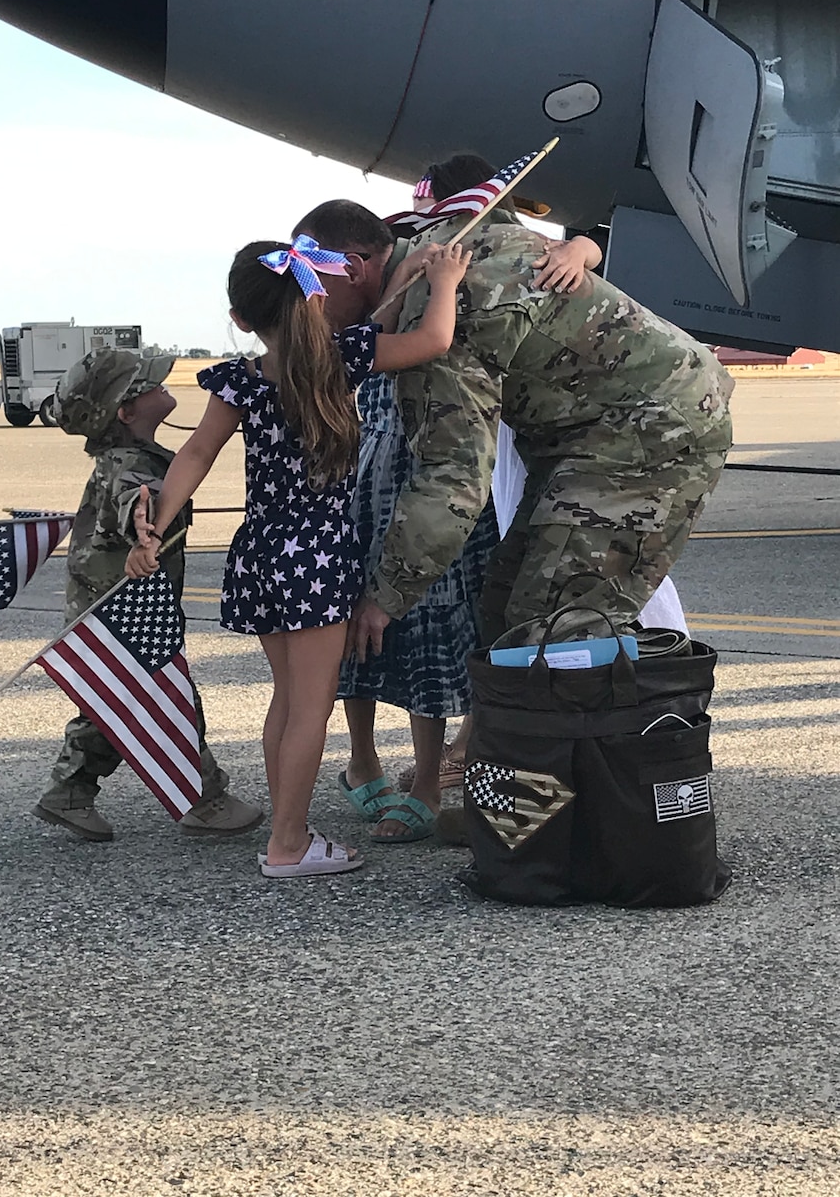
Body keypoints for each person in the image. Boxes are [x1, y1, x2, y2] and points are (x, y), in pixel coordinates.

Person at [125, 235, 472, 878]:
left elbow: (196, 455)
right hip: (317, 554)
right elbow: (432, 341)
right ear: (314, 296)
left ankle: (291, 830)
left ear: (242, 320)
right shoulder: (345, 358)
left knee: (286, 703)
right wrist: (445, 281)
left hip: (262, 550)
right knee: (310, 710)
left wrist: (156, 525)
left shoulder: (242, 379)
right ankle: (288, 844)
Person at [292, 192, 733, 697]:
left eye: (311, 288)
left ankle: (602, 767)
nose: (310, 307)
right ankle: (524, 763)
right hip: (596, 436)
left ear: (352, 268)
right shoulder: (440, 256)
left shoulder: (442, 309)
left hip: (652, 432)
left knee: (554, 627)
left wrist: (385, 596)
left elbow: (453, 476)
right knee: (503, 608)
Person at [337, 154, 603, 843]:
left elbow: (583, 247)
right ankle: (364, 758)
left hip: (451, 467)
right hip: (379, 468)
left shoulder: (489, 255)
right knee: (359, 630)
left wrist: (580, 246)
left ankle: (437, 773)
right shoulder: (413, 248)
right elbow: (378, 321)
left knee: (440, 628)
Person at [34, 348, 264, 843]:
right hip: (117, 607)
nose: (164, 386)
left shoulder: (135, 456)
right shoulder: (129, 465)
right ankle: (203, 799)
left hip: (108, 602)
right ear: (126, 412)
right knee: (161, 694)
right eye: (149, 386)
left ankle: (70, 792)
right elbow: (132, 501)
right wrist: (143, 523)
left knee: (110, 703)